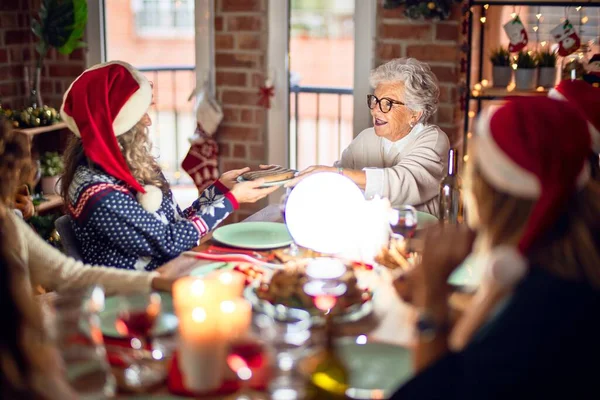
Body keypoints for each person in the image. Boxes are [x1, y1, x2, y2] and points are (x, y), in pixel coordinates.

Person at [392, 97, 600, 399]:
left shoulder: (544, 310)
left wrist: (433, 300)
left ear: (489, 192)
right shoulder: (562, 259)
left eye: (473, 170)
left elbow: (432, 391)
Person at [59, 61, 277, 270]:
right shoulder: (96, 193)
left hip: (169, 271)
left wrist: (220, 190)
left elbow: (175, 225)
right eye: (140, 113)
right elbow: (169, 242)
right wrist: (231, 200)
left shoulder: (127, 167)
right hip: (138, 292)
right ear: (116, 123)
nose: (148, 121)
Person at [0, 117, 176, 295]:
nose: (148, 121)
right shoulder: (94, 192)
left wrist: (155, 281)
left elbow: (70, 274)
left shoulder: (9, 225)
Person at [287, 58, 450, 214]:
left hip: (417, 236)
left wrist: (338, 173)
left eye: (388, 104)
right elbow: (335, 182)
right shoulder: (366, 138)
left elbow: (403, 182)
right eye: (375, 100)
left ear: (414, 114)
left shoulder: (433, 140)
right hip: (369, 234)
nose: (374, 110)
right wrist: (290, 176)